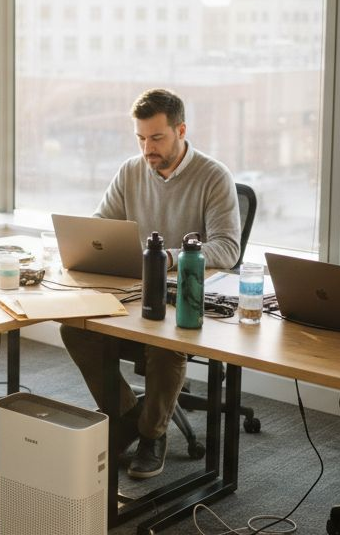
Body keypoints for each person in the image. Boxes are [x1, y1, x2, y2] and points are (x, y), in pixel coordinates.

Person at [60, 88, 241, 479]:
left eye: (156, 138)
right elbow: (101, 225)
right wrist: (92, 243)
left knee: (164, 344)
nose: (147, 148)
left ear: (181, 130)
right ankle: (128, 415)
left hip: (182, 299)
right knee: (75, 330)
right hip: (134, 292)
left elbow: (227, 249)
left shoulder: (213, 176)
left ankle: (152, 434)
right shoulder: (130, 171)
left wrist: (170, 258)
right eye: (140, 138)